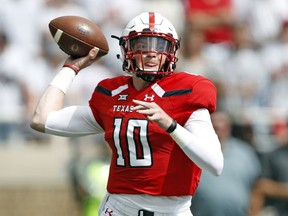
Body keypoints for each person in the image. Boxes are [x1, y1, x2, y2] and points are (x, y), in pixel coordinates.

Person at [30, 12, 224, 216]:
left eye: (159, 46)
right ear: (126, 49)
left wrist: (171, 126)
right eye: (142, 45)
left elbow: (215, 164)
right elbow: (42, 119)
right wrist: (71, 67)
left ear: (172, 50)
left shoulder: (188, 90)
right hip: (119, 209)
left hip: (172, 211)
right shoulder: (112, 93)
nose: (151, 53)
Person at [191, 111, 261, 216]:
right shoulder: (194, 151)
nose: (219, 131)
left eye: (223, 127)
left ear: (229, 128)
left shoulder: (246, 153)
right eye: (215, 127)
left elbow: (257, 187)